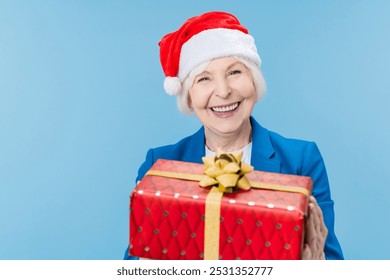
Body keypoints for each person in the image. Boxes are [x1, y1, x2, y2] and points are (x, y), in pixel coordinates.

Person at [124, 11, 344, 260]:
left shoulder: (301, 159)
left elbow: (332, 258)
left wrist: (315, 263)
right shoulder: (159, 164)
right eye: (204, 79)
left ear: (254, 80)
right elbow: (135, 258)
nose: (223, 91)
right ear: (188, 96)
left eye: (234, 72)